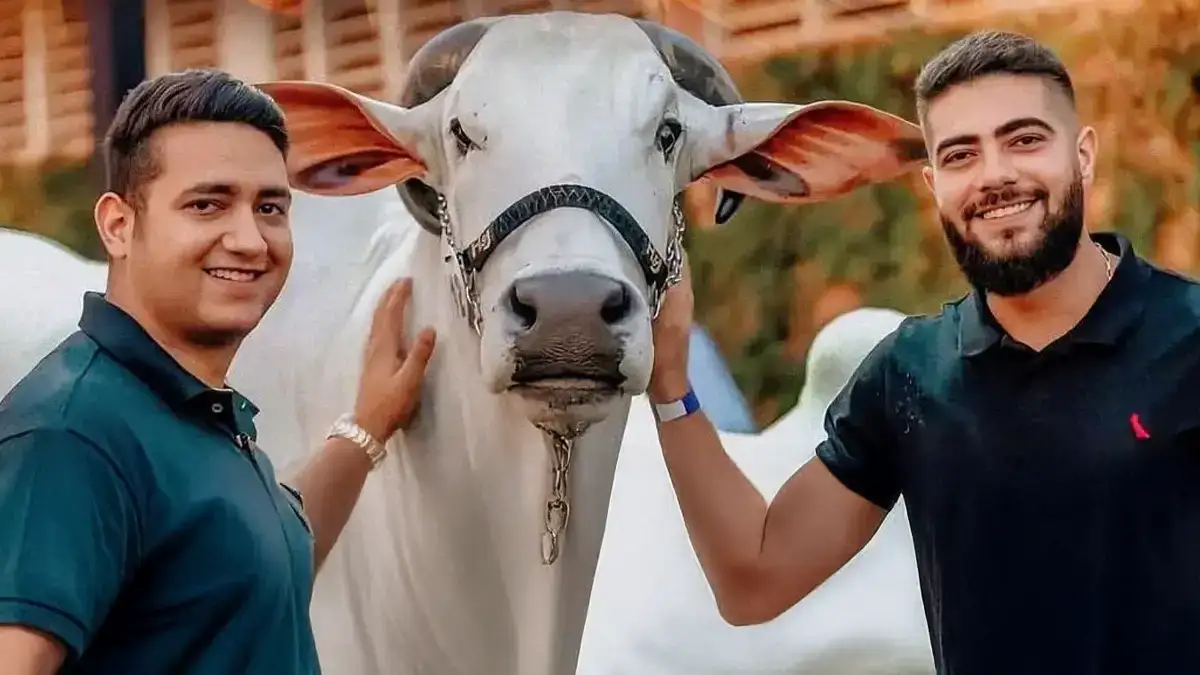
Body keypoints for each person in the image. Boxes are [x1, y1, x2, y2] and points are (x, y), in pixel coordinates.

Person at [647, 30, 1200, 675]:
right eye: (963, 155)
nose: (995, 175)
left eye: (1024, 140)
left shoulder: (1187, 338)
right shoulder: (911, 376)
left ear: (1083, 156)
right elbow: (755, 578)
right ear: (934, 185)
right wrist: (670, 379)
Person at [0, 69, 436, 674]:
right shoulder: (72, 434)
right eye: (208, 204)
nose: (250, 240)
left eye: (270, 208)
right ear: (118, 225)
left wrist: (366, 429)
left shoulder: (192, 412)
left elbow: (251, 565)